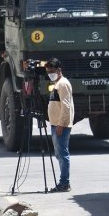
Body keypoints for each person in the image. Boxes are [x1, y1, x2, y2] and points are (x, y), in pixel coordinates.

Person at [45, 57, 74, 193]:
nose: (50, 73)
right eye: (48, 71)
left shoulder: (62, 84)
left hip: (60, 125)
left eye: (52, 70)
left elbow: (66, 106)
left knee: (62, 154)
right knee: (59, 154)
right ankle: (63, 182)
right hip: (56, 124)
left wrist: (61, 124)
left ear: (59, 70)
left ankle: (64, 183)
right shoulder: (57, 83)